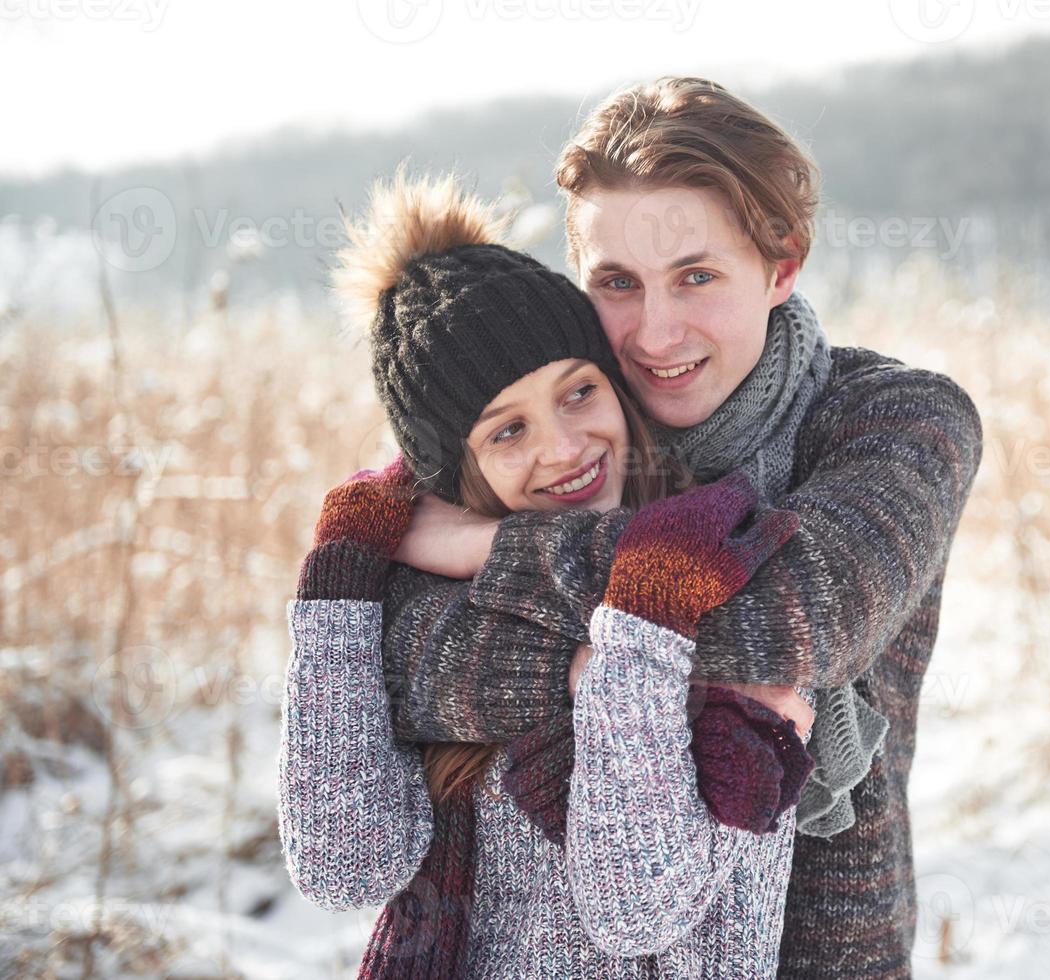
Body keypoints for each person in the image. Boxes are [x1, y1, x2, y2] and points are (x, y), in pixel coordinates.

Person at [369, 77, 986, 978]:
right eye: (618, 284)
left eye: (696, 276)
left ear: (782, 263)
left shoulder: (896, 421)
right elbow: (392, 658)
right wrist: (606, 661)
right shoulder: (559, 431)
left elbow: (790, 620)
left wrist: (490, 552)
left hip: (809, 952)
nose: (656, 334)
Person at [277, 168, 818, 977]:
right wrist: (340, 583)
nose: (562, 448)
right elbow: (343, 864)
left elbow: (636, 904)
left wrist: (630, 637)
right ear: (454, 469)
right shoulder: (426, 611)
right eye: (506, 432)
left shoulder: (717, 565)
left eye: (577, 393)